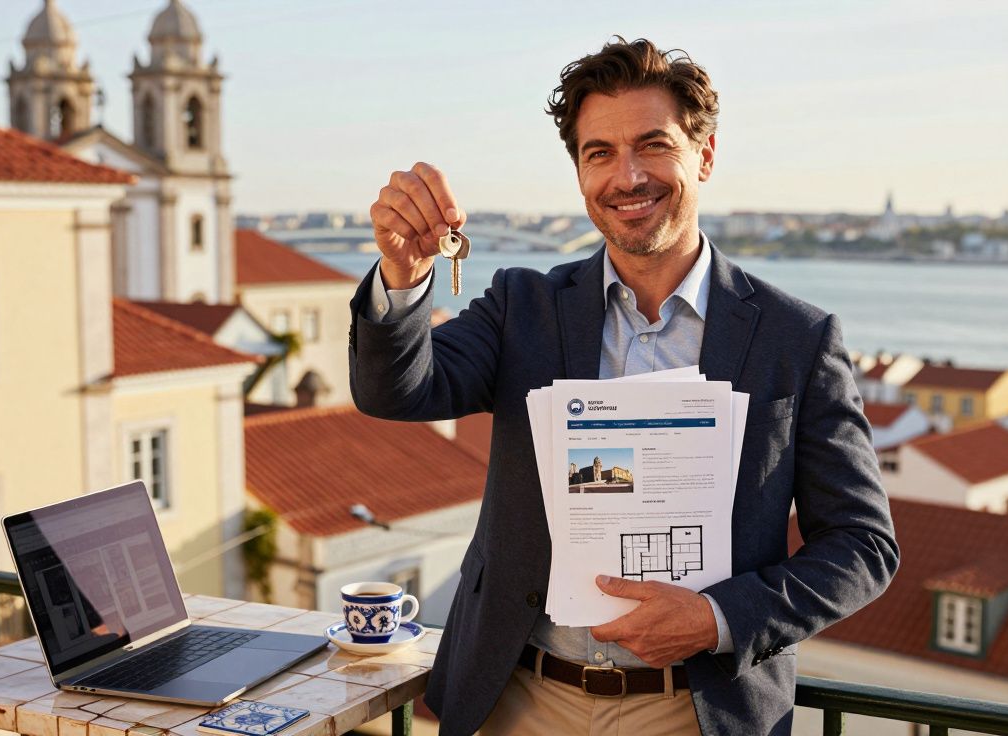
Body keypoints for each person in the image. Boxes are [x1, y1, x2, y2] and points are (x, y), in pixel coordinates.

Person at [349, 37, 899, 736]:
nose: (627, 176)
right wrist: (401, 276)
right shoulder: (524, 305)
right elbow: (396, 391)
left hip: (695, 712)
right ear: (579, 171)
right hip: (521, 700)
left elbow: (862, 545)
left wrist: (716, 618)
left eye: (652, 144)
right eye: (599, 152)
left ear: (703, 155)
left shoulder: (798, 339)